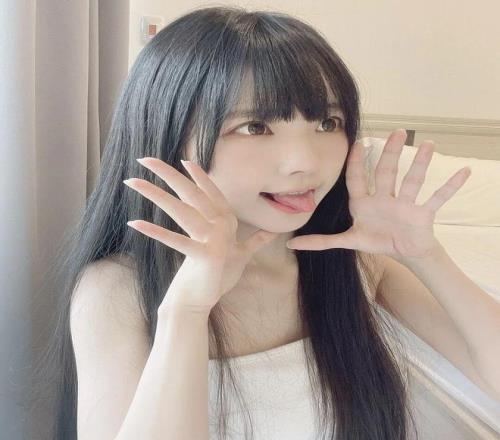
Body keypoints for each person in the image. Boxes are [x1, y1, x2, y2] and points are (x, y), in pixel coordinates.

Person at [34, 5, 495, 440]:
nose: (305, 162)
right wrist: (188, 311)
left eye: (327, 123)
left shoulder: (352, 264)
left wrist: (428, 257)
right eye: (255, 127)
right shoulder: (119, 289)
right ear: (167, 133)